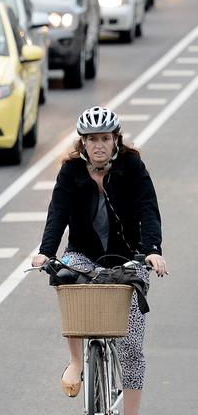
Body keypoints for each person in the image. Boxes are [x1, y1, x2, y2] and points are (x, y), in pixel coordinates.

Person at [31, 106, 167, 415]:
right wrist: (46, 252)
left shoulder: (132, 166)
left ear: (116, 140)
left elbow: (148, 208)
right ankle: (77, 362)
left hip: (128, 257)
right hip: (84, 253)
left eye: (105, 138)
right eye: (92, 139)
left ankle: (131, 412)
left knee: (131, 347)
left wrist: (153, 250)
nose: (99, 145)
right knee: (67, 276)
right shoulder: (70, 171)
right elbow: (58, 214)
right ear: (83, 143)